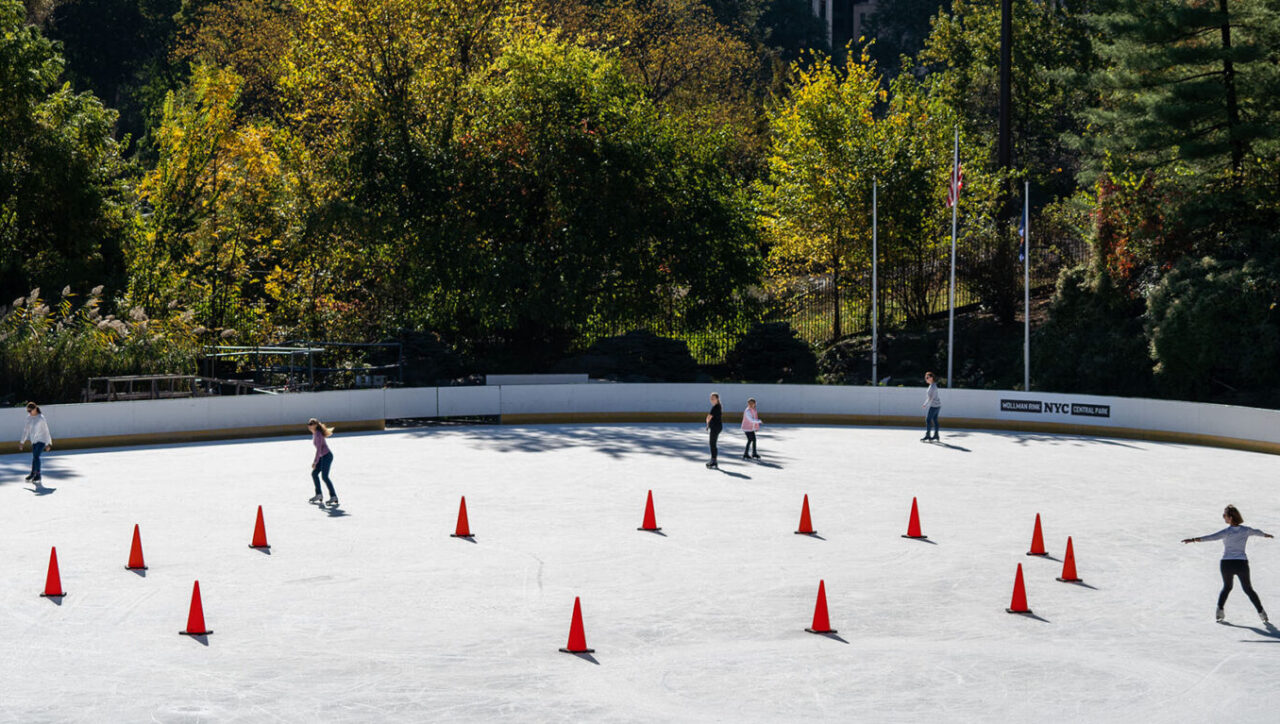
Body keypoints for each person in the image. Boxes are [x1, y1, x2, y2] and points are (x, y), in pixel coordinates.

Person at [1182, 504, 1272, 623]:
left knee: (1227, 587)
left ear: (1230, 517)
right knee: (1248, 589)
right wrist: (1266, 535)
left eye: (1224, 515)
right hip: (1241, 564)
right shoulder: (1245, 530)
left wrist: (1193, 540)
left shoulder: (1226, 531)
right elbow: (1257, 532)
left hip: (1227, 564)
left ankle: (1220, 610)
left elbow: (1211, 537)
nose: (1223, 517)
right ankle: (1261, 613)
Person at [308, 418, 339, 506]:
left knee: (324, 477)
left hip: (327, 456)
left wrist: (315, 462)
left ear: (316, 425)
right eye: (309, 424)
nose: (309, 425)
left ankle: (333, 496)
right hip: (322, 457)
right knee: (314, 474)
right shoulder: (315, 433)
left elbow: (319, 450)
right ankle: (319, 494)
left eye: (311, 424)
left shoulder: (317, 435)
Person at [19, 402, 52, 482]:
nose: (29, 413)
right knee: (34, 458)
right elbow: (26, 430)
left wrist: (48, 443)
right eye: (28, 411)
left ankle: (38, 474)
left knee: (36, 457)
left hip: (42, 440)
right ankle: (33, 473)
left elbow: (46, 431)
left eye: (30, 411)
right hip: (34, 441)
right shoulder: (29, 418)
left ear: (35, 409)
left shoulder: (41, 418)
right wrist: (22, 442)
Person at [921, 372, 941, 442]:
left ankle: (928, 435)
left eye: (927, 377)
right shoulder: (933, 385)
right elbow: (930, 397)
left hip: (934, 406)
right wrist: (925, 403)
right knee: (935, 420)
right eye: (925, 378)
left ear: (931, 378)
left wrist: (925, 404)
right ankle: (936, 435)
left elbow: (930, 398)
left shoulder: (932, 386)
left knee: (928, 420)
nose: (926, 379)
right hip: (937, 405)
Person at [705, 392, 722, 469]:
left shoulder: (716, 407)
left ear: (717, 399)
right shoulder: (717, 406)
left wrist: (707, 424)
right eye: (711, 398)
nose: (711, 400)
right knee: (712, 443)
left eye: (713, 398)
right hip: (716, 427)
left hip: (716, 427)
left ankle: (714, 460)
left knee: (712, 443)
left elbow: (708, 417)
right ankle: (714, 460)